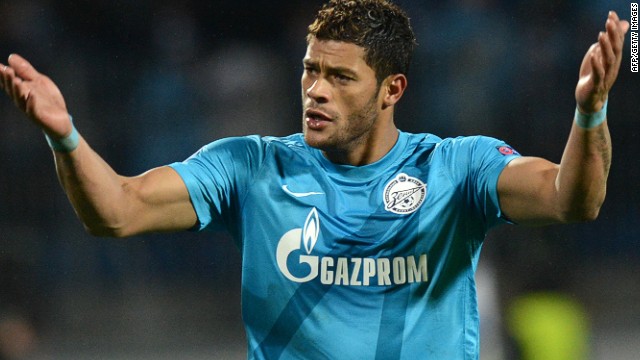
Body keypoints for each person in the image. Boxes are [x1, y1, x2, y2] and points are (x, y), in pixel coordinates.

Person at [0, 0, 630, 358]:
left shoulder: (455, 166)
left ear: (392, 91)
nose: (316, 92)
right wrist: (66, 135)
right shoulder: (250, 165)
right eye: (310, 71)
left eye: (340, 77)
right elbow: (118, 210)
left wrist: (590, 112)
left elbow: (569, 199)